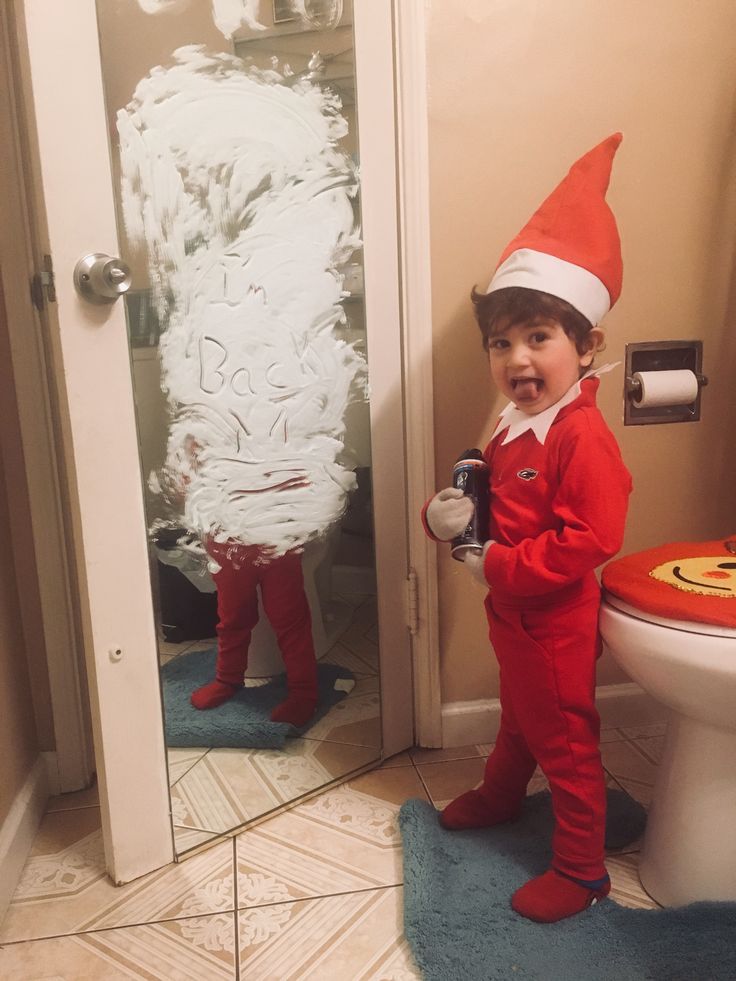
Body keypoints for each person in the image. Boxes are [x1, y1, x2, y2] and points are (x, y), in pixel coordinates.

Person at [422, 133, 632, 923]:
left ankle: (582, 868)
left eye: (538, 336)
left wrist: (500, 567)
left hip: (552, 620)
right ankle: (503, 793)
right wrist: (443, 513)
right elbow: (485, 497)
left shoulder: (582, 435)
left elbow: (590, 539)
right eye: (501, 342)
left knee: (566, 740)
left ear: (586, 344)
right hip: (512, 616)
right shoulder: (516, 421)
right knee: (519, 713)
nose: (517, 356)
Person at [190, 539, 319, 727]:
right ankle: (227, 679)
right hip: (228, 538)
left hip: (278, 535)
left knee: (289, 617)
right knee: (233, 615)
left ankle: (304, 692)